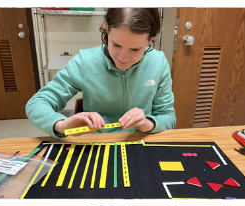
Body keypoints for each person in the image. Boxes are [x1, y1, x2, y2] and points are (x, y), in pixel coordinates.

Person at [26, 8, 175, 138]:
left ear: (150, 40)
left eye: (135, 49)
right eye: (116, 44)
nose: (123, 58)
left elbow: (168, 116)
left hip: (141, 141)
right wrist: (61, 125)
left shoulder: (158, 62)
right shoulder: (85, 62)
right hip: (96, 143)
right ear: (107, 28)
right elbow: (37, 103)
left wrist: (148, 123)